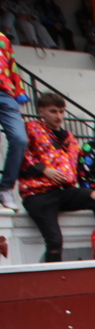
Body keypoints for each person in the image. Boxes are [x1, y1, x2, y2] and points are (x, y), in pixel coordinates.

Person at [19, 93, 95, 262]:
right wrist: (43, 169)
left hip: (64, 191)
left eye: (61, 111)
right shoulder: (30, 128)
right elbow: (20, 155)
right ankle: (53, 277)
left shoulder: (69, 137)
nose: (58, 116)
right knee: (55, 242)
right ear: (41, 111)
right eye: (53, 111)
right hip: (37, 193)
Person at [0, 30, 26, 212]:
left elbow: (12, 67)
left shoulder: (2, 38)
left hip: (5, 94)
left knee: (20, 139)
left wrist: (19, 96)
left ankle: (5, 188)